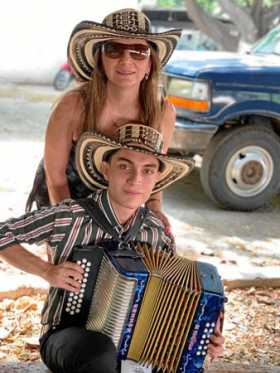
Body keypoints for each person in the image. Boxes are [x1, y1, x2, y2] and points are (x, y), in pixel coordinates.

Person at [0, 123, 224, 373]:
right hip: (69, 336)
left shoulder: (156, 232)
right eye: (124, 165)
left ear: (157, 179)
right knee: (99, 353)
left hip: (138, 347)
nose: (135, 179)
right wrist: (46, 271)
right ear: (106, 169)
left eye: (148, 170)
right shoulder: (70, 216)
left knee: (187, 365)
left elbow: (174, 303)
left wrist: (200, 337)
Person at [26, 7, 182, 230]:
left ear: (150, 63)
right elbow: (56, 177)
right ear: (100, 59)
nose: (126, 60)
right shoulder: (72, 106)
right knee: (66, 263)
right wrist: (69, 228)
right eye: (113, 49)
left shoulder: (163, 113)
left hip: (123, 199)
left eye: (138, 51)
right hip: (64, 195)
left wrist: (155, 210)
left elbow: (153, 172)